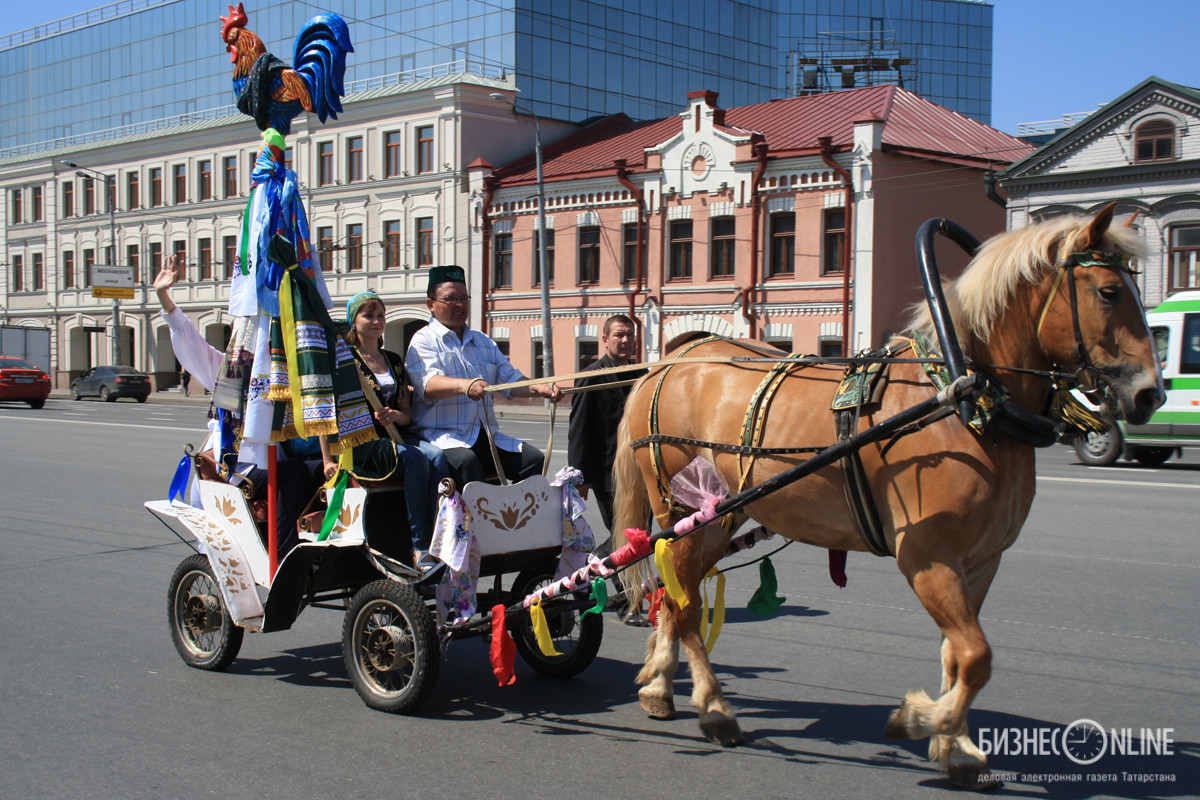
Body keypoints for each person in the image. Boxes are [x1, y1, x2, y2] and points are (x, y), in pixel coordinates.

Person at [153, 253, 322, 558]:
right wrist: (164, 297)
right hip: (233, 468)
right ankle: (283, 559)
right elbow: (189, 340)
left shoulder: (289, 371)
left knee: (326, 470)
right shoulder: (228, 369)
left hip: (275, 462)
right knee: (294, 474)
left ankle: (315, 550)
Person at [319, 291, 449, 562]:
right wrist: (327, 459)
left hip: (394, 436)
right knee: (415, 459)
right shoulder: (345, 361)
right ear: (354, 321)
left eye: (380, 315)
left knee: (437, 456)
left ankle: (441, 536)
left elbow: (406, 415)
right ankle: (420, 545)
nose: (377, 321)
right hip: (361, 443)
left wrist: (394, 416)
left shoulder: (393, 359)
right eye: (369, 315)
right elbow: (325, 410)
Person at [405, 265, 562, 488]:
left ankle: (515, 519)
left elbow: (509, 380)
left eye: (463, 298)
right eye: (450, 299)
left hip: (483, 436)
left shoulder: (483, 341)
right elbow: (428, 384)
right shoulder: (423, 340)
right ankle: (471, 522)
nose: (459, 304)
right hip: (441, 437)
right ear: (431, 304)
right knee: (467, 462)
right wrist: (465, 385)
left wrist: (540, 387)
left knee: (533, 460)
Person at [567, 314, 644, 535]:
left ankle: (621, 569)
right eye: (619, 335)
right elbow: (580, 429)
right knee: (622, 534)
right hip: (608, 473)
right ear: (605, 340)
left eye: (630, 335)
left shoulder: (641, 374)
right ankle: (601, 566)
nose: (625, 340)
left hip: (639, 470)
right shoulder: (590, 377)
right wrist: (580, 477)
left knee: (641, 534)